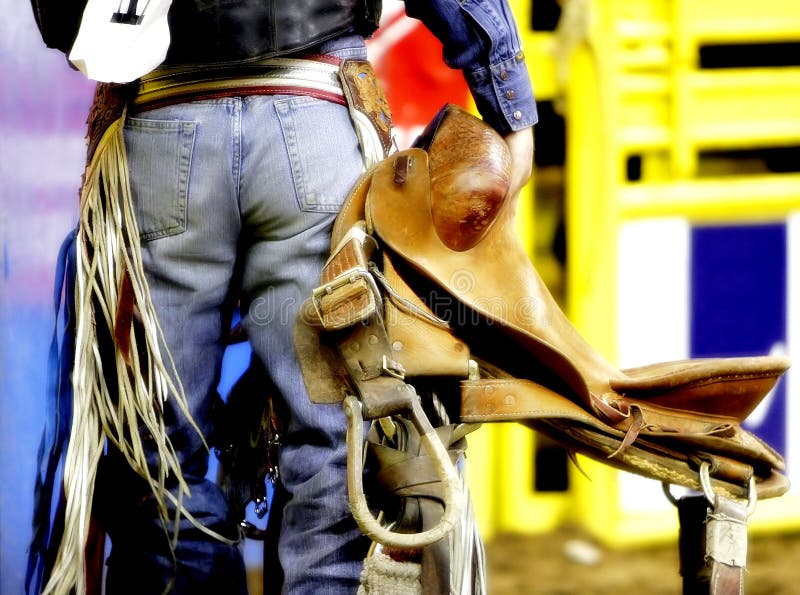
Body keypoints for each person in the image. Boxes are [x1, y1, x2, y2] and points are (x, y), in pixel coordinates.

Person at [30, 0, 537, 593]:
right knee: (332, 444)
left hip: (163, 134)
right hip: (315, 121)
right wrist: (509, 108)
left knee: (158, 451)